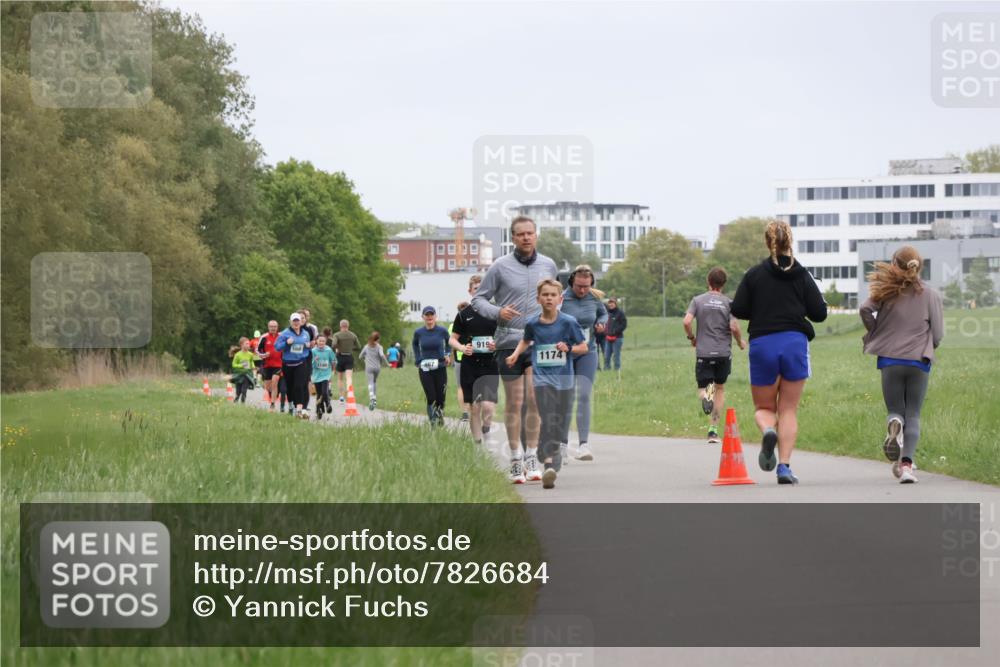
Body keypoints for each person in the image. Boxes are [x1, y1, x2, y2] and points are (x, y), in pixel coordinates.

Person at [731, 220, 827, 485]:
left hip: (763, 344)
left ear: (767, 242)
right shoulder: (802, 274)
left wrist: (760, 308)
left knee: (764, 407)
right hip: (794, 343)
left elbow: (738, 308)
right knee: (788, 409)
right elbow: (819, 313)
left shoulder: (754, 274)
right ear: (790, 241)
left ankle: (768, 430)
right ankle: (783, 467)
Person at [472, 215, 558, 484]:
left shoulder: (548, 265)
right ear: (513, 238)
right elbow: (478, 300)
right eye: (521, 234)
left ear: (536, 235)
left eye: (530, 233)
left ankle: (532, 457)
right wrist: (498, 312)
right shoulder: (500, 266)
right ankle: (515, 458)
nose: (526, 237)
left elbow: (556, 298)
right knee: (515, 401)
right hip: (509, 342)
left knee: (534, 399)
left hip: (539, 342)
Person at [860, 246, 944, 484]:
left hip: (890, 359)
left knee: (896, 410)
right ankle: (907, 466)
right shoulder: (931, 294)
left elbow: (865, 309)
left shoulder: (886, 291)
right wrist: (928, 345)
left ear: (895, 265)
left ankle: (894, 424)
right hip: (918, 360)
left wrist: (876, 331)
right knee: (914, 413)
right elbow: (938, 334)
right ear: (919, 265)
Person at [506, 279, 588, 489]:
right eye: (545, 295)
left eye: (553, 295)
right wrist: (515, 354)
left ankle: (552, 450)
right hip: (542, 379)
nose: (549, 298)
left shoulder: (568, 322)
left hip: (564, 380)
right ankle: (549, 465)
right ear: (538, 299)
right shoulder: (533, 323)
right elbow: (526, 340)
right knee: (548, 417)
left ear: (560, 299)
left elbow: (583, 347)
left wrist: (568, 348)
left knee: (559, 422)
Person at [683, 267, 746, 444]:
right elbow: (734, 327)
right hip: (723, 353)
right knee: (719, 388)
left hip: (703, 352)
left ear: (708, 281)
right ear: (723, 284)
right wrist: (740, 342)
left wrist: (692, 338)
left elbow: (686, 321)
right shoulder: (729, 303)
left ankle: (705, 398)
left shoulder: (697, 300)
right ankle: (713, 431)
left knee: (704, 388)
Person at [558, 265, 608, 462]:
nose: (582, 290)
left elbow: (603, 314)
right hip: (566, 353)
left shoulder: (594, 298)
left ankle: (583, 445)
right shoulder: (562, 298)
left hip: (588, 351)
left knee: (584, 395)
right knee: (566, 398)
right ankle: (562, 445)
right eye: (579, 286)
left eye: (586, 286)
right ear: (572, 282)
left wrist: (602, 323)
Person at [450, 275, 499, 447]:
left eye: (482, 288)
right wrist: (462, 348)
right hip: (470, 365)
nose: (479, 291)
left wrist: (497, 344)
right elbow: (452, 339)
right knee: (475, 407)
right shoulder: (463, 315)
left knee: (488, 406)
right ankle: (477, 445)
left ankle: (486, 429)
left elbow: (505, 336)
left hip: (490, 364)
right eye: (476, 288)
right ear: (470, 291)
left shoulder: (495, 312)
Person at [412, 306, 451, 426]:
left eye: (431, 314)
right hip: (425, 368)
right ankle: (433, 423)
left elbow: (449, 343)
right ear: (423, 317)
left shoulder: (442, 331)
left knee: (441, 398)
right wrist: (418, 359)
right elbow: (414, 344)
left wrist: (447, 354)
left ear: (435, 316)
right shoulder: (418, 332)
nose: (429, 317)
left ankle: (440, 418)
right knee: (431, 396)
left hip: (440, 366)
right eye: (427, 315)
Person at [274, 312, 313, 419]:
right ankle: (291, 405)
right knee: (290, 387)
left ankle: (299, 410)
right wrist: (286, 343)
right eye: (294, 321)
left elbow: (307, 349)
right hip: (287, 364)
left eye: (297, 321)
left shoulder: (305, 334)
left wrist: (308, 346)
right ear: (290, 322)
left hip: (301, 363)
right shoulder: (285, 334)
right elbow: (277, 347)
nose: (296, 323)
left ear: (301, 322)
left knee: (299, 386)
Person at [331, 319, 362, 403]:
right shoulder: (353, 335)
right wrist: (351, 348)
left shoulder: (337, 335)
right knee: (348, 377)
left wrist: (337, 348)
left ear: (340, 326)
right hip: (349, 356)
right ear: (348, 326)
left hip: (340, 357)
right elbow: (359, 347)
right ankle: (349, 392)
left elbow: (333, 344)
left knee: (340, 378)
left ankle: (341, 397)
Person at [359, 331, 389, 410]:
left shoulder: (366, 347)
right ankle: (374, 399)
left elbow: (360, 356)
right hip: (377, 368)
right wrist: (387, 364)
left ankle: (372, 397)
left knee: (370, 382)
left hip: (369, 367)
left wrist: (365, 359)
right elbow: (382, 355)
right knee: (374, 382)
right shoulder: (379, 347)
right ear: (377, 339)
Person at [256, 320, 283, 409]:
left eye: (275, 326)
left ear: (277, 327)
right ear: (268, 327)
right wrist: (264, 355)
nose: (273, 328)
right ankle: (273, 395)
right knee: (267, 386)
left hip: (279, 364)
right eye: (271, 326)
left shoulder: (281, 337)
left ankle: (272, 403)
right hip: (267, 365)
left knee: (275, 381)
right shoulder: (264, 337)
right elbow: (257, 350)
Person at [450, 301, 470, 422]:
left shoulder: (453, 326)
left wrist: (451, 359)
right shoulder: (474, 323)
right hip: (473, 357)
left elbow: (452, 343)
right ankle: (473, 411)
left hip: (459, 358)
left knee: (460, 387)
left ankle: (465, 413)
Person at [311, 334, 335, 419]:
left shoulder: (329, 350)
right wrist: (314, 360)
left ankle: (328, 404)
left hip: (326, 375)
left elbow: (334, 361)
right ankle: (319, 410)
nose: (321, 342)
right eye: (320, 341)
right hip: (316, 375)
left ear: (325, 342)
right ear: (316, 341)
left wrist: (333, 370)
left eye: (323, 341)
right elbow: (310, 365)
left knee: (324, 392)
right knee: (319, 394)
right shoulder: (313, 351)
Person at [229, 337, 257, 404]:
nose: (248, 345)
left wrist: (253, 367)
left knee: (244, 391)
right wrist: (241, 365)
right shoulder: (237, 355)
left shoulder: (250, 354)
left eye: (249, 344)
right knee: (238, 392)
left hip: (247, 375)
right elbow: (233, 365)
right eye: (246, 344)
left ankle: (242, 404)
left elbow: (251, 362)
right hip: (239, 375)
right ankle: (235, 401)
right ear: (241, 345)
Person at [603, 297, 628, 371]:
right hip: (608, 338)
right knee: (606, 356)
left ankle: (617, 370)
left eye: (612, 303)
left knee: (616, 356)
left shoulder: (620, 313)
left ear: (616, 304)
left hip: (617, 338)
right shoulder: (607, 313)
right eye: (609, 303)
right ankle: (606, 370)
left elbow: (624, 325)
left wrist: (615, 331)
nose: (611, 304)